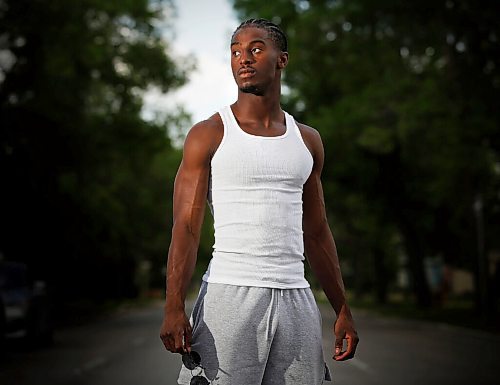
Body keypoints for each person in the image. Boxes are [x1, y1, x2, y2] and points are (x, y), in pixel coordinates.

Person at [160, 18, 359, 385]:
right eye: (235, 51)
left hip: (296, 297)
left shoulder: (308, 141)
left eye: (255, 49)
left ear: (282, 60)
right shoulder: (209, 134)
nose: (243, 59)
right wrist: (174, 305)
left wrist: (341, 308)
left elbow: (316, 233)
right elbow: (186, 227)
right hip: (230, 295)